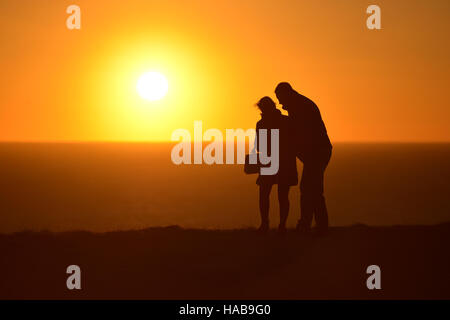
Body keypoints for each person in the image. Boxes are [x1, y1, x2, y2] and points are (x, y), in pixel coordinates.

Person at [275, 82, 332, 235]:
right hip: (318, 151)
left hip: (317, 152)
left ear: (287, 94)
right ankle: (318, 225)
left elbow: (299, 131)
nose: (280, 103)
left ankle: (307, 224)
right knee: (313, 189)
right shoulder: (300, 104)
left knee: (309, 188)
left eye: (280, 98)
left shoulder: (299, 107)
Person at [254, 96, 298, 233]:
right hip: (286, 161)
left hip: (270, 161)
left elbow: (259, 146)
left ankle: (265, 224)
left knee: (264, 193)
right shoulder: (287, 121)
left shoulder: (261, 124)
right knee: (282, 195)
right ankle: (282, 226)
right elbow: (293, 141)